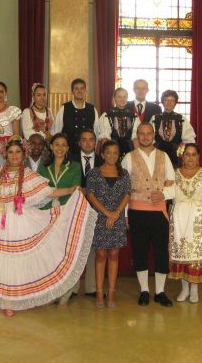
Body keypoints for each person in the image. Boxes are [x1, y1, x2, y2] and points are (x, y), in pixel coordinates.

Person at [0, 138, 96, 316]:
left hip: (20, 222)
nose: (15, 155)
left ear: (24, 154)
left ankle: (17, 299)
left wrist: (70, 190)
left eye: (18, 152)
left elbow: (48, 192)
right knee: (0, 262)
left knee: (18, 264)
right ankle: (5, 299)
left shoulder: (29, 175)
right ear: (5, 154)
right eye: (11, 152)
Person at [121, 122, 175, 307]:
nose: (145, 137)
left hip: (159, 212)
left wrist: (165, 194)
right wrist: (126, 215)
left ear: (154, 135)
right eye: (141, 134)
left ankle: (160, 292)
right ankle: (144, 290)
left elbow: (172, 183)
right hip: (137, 212)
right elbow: (124, 189)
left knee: (161, 252)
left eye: (149, 133)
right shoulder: (128, 158)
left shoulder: (164, 156)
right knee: (140, 251)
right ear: (137, 135)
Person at [169, 143, 202, 303]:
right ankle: (184, 288)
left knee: (196, 257)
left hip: (198, 221)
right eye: (187, 154)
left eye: (194, 154)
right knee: (182, 253)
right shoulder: (174, 174)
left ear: (199, 156)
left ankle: (194, 289)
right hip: (179, 219)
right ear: (182, 156)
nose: (190, 158)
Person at [37, 133, 83, 306]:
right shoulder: (43, 166)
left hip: (66, 214)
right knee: (51, 254)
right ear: (51, 146)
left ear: (68, 148)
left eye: (64, 145)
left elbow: (76, 189)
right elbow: (41, 191)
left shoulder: (75, 166)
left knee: (66, 253)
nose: (60, 148)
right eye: (57, 144)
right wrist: (64, 190)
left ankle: (68, 289)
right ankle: (52, 289)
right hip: (46, 214)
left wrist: (56, 191)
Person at [86, 140, 131, 308]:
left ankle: (111, 293)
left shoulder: (124, 173)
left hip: (117, 220)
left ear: (118, 155)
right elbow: (90, 195)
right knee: (100, 255)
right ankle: (99, 293)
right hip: (99, 219)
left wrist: (116, 213)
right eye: (108, 152)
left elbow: (127, 194)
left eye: (115, 152)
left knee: (114, 255)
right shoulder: (94, 173)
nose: (112, 155)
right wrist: (107, 213)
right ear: (102, 154)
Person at [71, 128, 103, 297]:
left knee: (93, 248)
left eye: (91, 139)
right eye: (84, 139)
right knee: (74, 248)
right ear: (79, 143)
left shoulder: (104, 160)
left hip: (97, 209)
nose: (88, 143)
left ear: (95, 142)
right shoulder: (70, 160)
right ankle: (72, 288)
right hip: (75, 209)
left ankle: (91, 287)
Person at [52, 78, 99, 156]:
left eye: (82, 88)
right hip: (68, 152)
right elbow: (57, 132)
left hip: (87, 152)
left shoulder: (92, 109)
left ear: (85, 90)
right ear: (72, 91)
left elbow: (96, 132)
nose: (79, 91)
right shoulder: (64, 108)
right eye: (76, 88)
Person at [151, 90, 196, 167]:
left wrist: (180, 152)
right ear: (162, 101)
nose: (169, 103)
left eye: (172, 100)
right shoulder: (155, 118)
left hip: (176, 157)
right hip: (157, 156)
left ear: (175, 103)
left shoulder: (181, 119)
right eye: (166, 100)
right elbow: (150, 138)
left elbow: (189, 139)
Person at [96, 88, 139, 157]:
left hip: (130, 150)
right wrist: (105, 154)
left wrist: (138, 155)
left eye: (124, 97)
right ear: (114, 98)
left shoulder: (134, 116)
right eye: (119, 97)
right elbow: (105, 138)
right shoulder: (107, 115)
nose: (122, 99)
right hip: (112, 151)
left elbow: (135, 138)